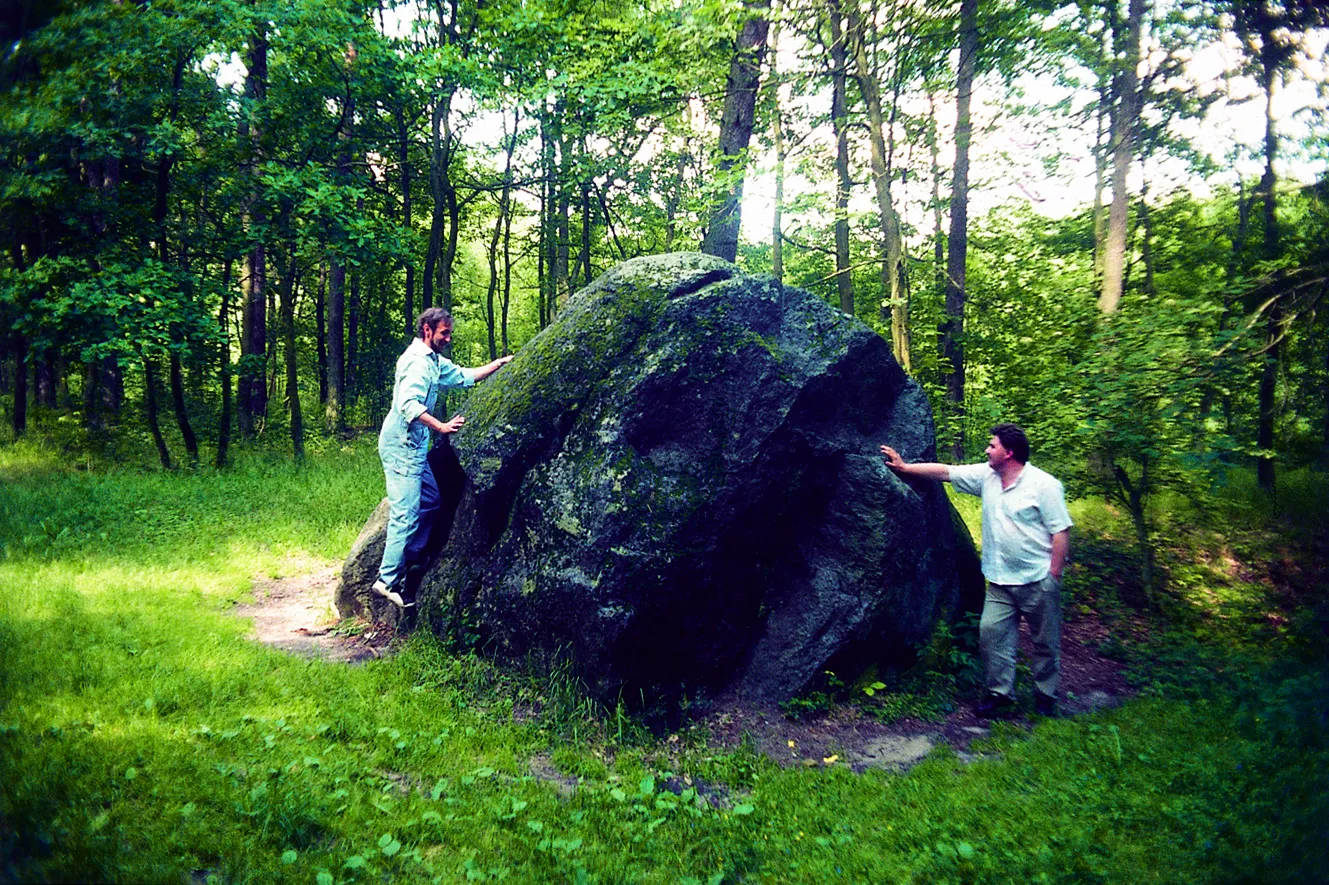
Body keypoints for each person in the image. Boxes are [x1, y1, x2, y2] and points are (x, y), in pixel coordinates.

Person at [880, 424, 1072, 717]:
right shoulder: (987, 476)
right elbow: (946, 472)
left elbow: (1061, 531)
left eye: (992, 446)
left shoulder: (1044, 485)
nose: (987, 450)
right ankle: (1000, 695)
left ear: (1008, 453)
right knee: (991, 635)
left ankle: (1045, 696)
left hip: (1037, 579)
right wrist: (905, 468)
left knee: (1045, 641)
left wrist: (1053, 575)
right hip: (999, 580)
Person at [373, 308, 513, 608]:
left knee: (431, 500)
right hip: (401, 447)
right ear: (427, 330)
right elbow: (408, 404)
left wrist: (499, 365)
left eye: (449, 333)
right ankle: (387, 580)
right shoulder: (416, 364)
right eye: (443, 333)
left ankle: (414, 555)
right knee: (405, 514)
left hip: (414, 447)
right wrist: (442, 427)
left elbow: (463, 376)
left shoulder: (433, 361)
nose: (448, 338)